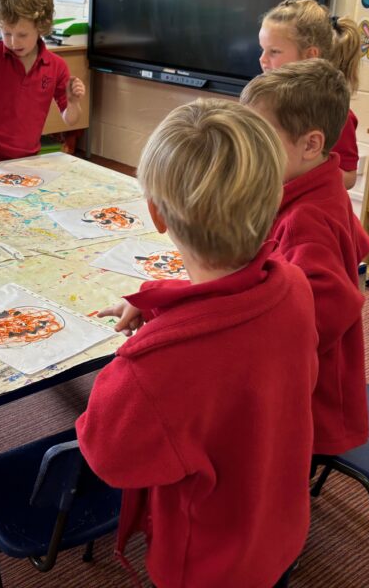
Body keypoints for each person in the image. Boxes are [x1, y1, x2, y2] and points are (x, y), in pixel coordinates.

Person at [76, 99, 318, 588]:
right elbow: (231, 325)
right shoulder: (293, 285)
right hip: (280, 527)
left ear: (156, 215)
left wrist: (151, 343)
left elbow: (107, 455)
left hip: (205, 566)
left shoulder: (150, 369)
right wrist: (162, 303)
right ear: (275, 199)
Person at [240, 59, 369, 459]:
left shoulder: (305, 220)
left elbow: (319, 316)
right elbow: (358, 245)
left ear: (311, 144)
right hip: (320, 379)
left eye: (260, 137)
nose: (250, 149)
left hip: (312, 397)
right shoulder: (323, 186)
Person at [0, 0, 86, 162]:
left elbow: (70, 119)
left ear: (40, 27)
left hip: (28, 160)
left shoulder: (56, 66)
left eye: (22, 35)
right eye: (7, 34)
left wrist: (73, 103)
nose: (13, 42)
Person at [259, 0, 362, 189]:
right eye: (262, 50)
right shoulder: (266, 103)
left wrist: (306, 169)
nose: (263, 60)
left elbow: (349, 177)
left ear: (310, 56)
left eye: (274, 52)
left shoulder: (334, 112)